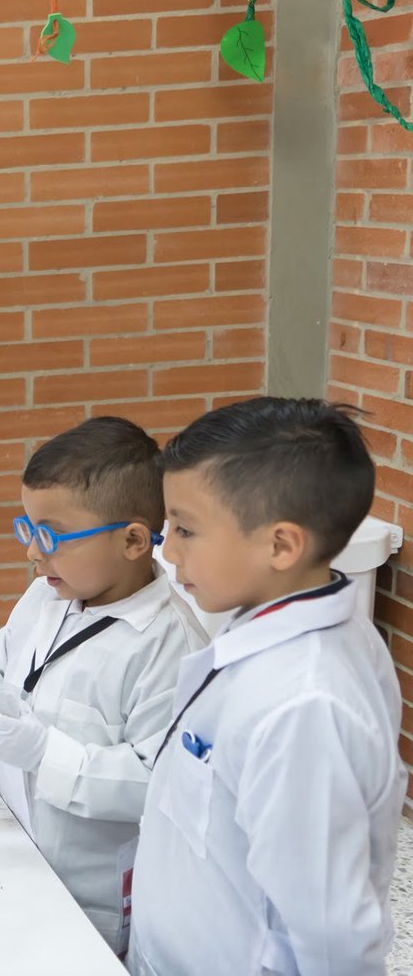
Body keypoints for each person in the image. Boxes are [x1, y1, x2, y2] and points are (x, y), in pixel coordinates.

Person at [129, 398, 404, 975]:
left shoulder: (304, 705)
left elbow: (331, 936)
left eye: (185, 529)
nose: (166, 548)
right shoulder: (264, 620)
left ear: (281, 546)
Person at [0, 416, 207, 953]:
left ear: (132, 540)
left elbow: (158, 785)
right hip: (16, 850)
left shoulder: (170, 647)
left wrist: (43, 754)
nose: (33, 552)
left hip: (92, 893)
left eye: (51, 535)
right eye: (28, 529)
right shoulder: (48, 595)